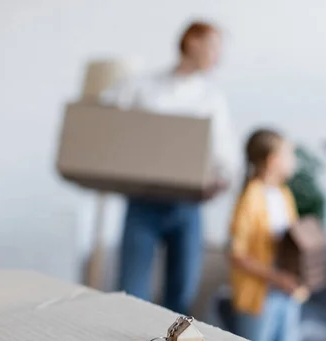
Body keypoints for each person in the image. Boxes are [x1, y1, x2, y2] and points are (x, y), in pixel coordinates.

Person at [100, 21, 240, 315]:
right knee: (130, 292)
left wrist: (220, 182)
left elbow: (226, 159)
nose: (219, 56)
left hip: (188, 207)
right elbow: (103, 120)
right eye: (213, 47)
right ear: (191, 43)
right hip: (143, 202)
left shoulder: (211, 99)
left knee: (181, 295)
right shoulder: (141, 87)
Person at [228, 129, 309, 341]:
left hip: (286, 294)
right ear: (273, 160)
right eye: (289, 155)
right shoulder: (250, 197)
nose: (293, 161)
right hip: (259, 298)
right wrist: (276, 278)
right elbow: (237, 255)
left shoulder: (284, 195)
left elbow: (293, 243)